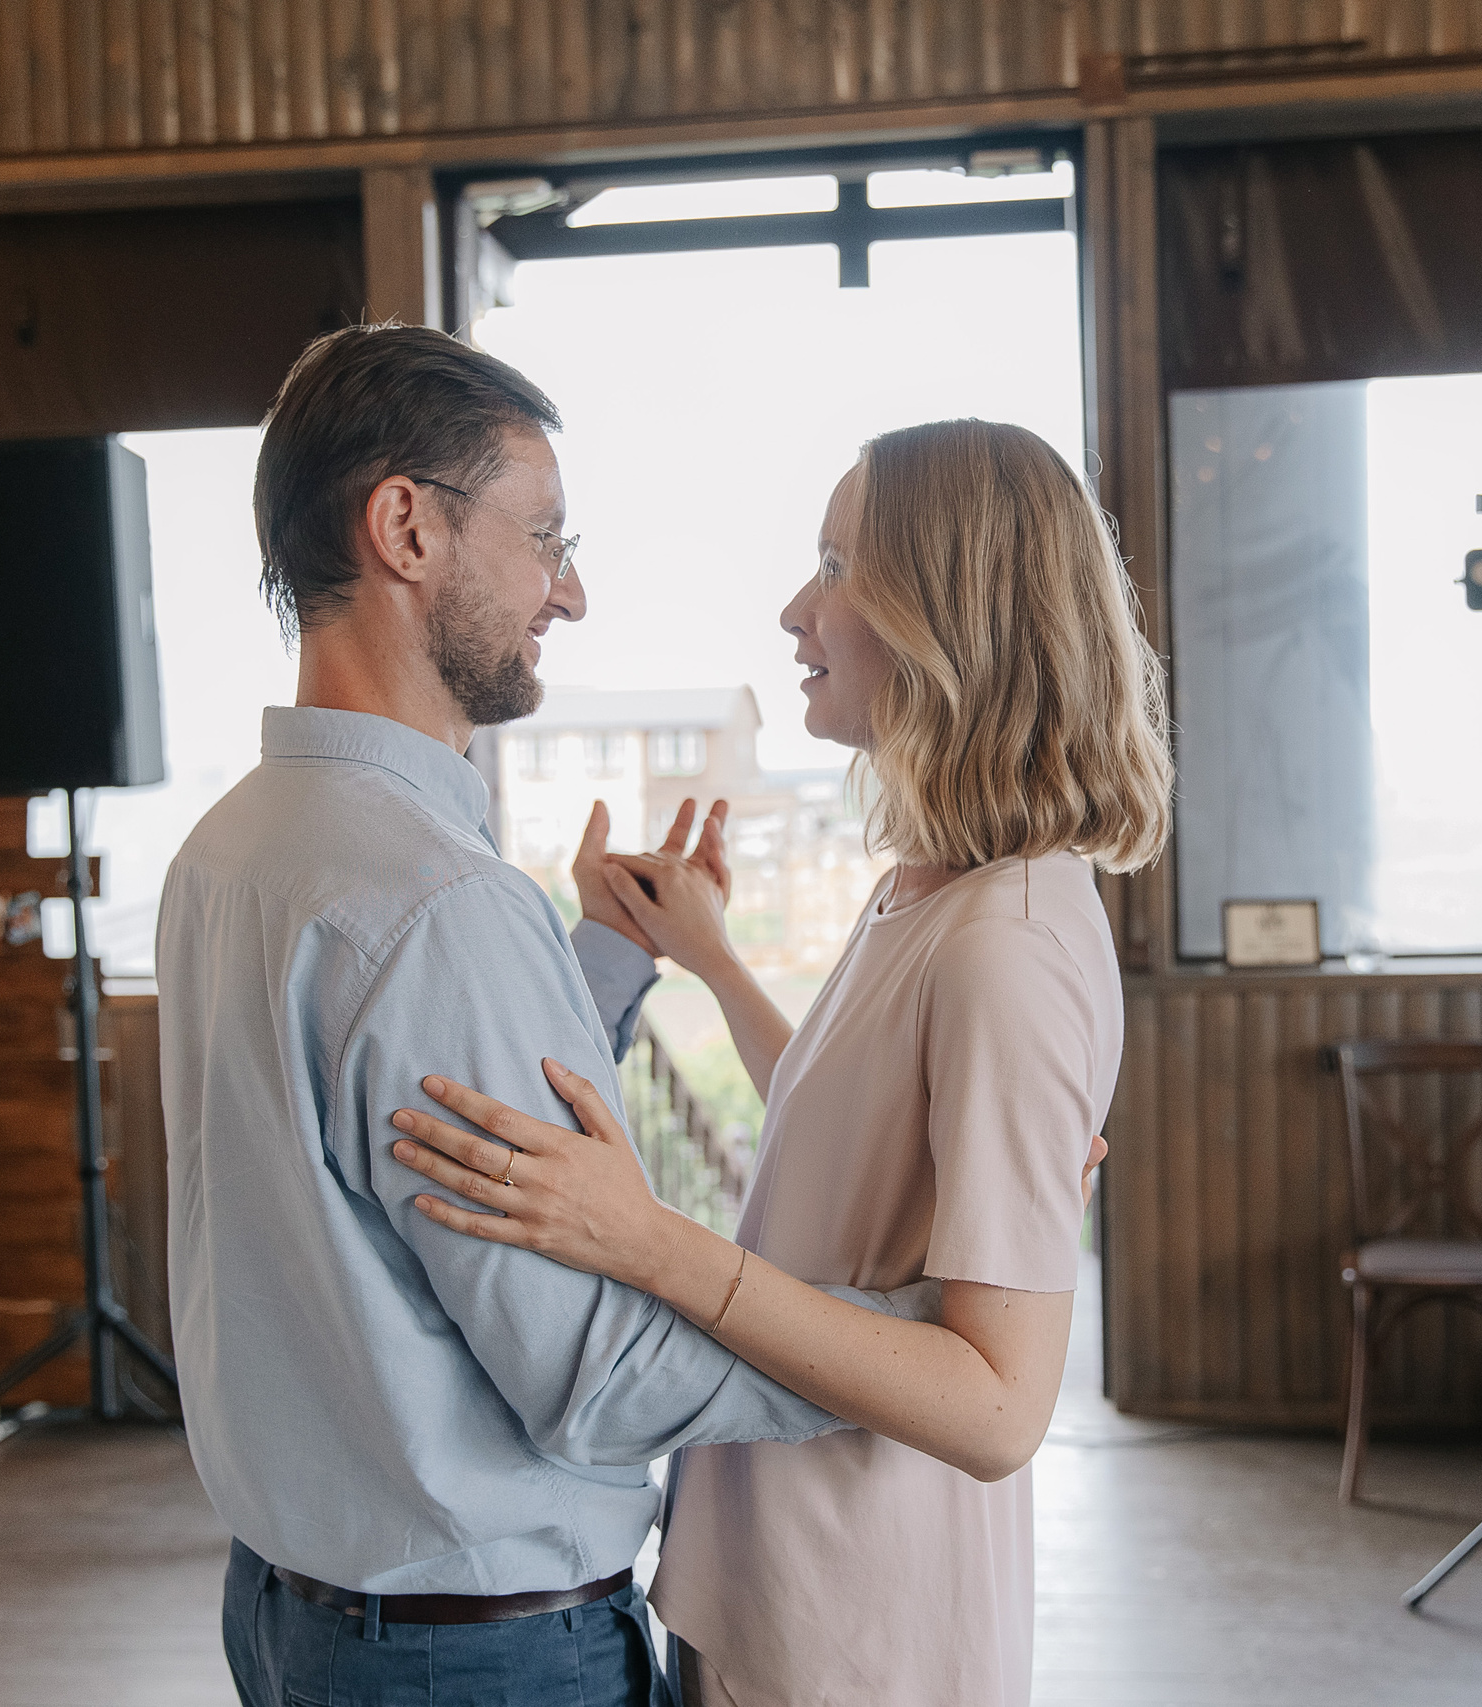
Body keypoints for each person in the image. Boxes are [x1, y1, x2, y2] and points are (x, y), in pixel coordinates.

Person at [158, 324, 940, 1707]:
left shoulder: (235, 851)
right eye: (545, 536)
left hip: (293, 1619)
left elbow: (394, 1138)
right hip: (480, 1657)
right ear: (404, 526)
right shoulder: (434, 903)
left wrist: (603, 959)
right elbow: (598, 1376)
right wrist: (911, 1342)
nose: (567, 591)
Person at [384, 418, 1174, 1707]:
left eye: (838, 563)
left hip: (861, 1623)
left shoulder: (1009, 943)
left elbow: (995, 1408)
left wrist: (647, 1243)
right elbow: (851, 1132)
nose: (799, 607)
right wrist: (709, 958)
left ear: (946, 612)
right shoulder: (930, 892)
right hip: (771, 1579)